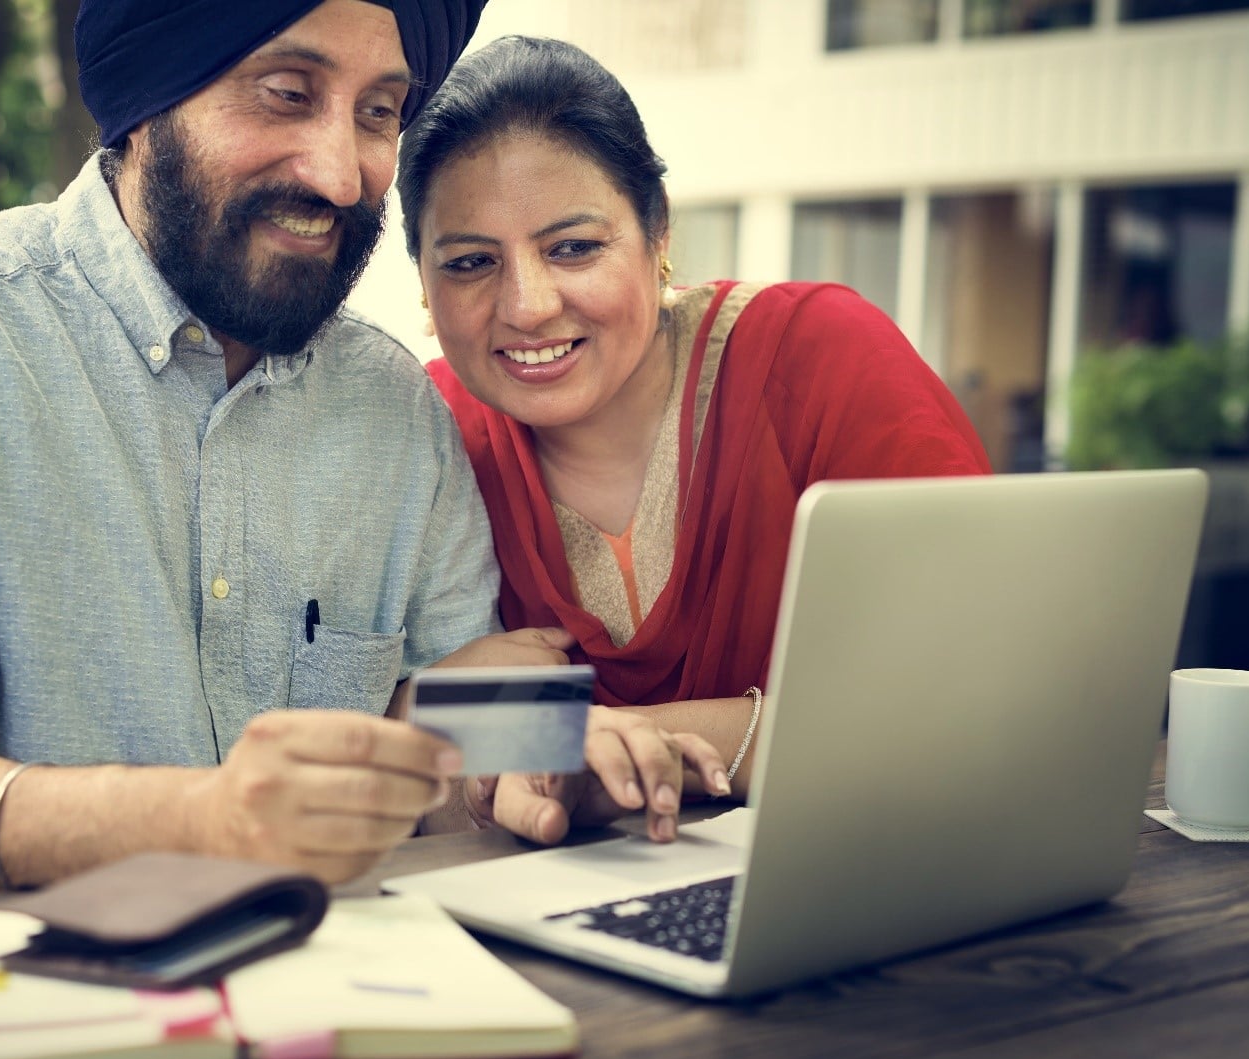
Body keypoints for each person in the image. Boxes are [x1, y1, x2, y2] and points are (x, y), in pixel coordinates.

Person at [0, 3, 719, 928]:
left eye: (376, 112)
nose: (340, 170)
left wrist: (543, 756)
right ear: (143, 103)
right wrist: (199, 819)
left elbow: (440, 737)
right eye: (286, 94)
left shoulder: (396, 406)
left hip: (308, 1012)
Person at [397, 36, 992, 823]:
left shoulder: (820, 361)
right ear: (423, 280)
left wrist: (595, 744)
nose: (528, 304)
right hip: (544, 912)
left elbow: (980, 696)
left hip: (863, 869)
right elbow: (372, 721)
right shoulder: (421, 436)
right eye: (471, 262)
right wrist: (446, 720)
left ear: (658, 234)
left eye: (573, 248)